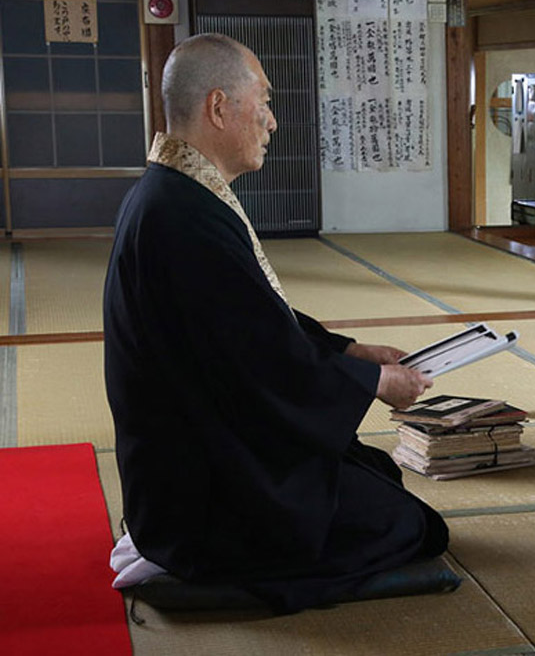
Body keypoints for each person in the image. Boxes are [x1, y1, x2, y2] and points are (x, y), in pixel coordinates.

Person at [103, 33, 447, 614]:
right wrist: (376, 385)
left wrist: (351, 353)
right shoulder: (179, 216)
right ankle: (195, 566)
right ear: (218, 108)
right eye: (262, 102)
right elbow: (259, 360)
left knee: (375, 472)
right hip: (201, 488)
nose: (272, 122)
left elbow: (256, 323)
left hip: (193, 453)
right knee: (412, 526)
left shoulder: (175, 196)